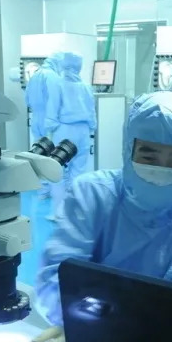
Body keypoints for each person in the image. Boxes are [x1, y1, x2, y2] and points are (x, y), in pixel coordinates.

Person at [32, 91, 172, 342]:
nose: (160, 169)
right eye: (149, 154)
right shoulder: (94, 193)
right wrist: (78, 326)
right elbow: (58, 275)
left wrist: (96, 336)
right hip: (100, 337)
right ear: (129, 148)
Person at [43, 51, 97, 221]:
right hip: (83, 131)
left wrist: (49, 129)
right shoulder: (86, 87)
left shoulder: (58, 85)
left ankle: (60, 212)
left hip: (64, 130)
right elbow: (92, 112)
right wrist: (91, 129)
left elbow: (52, 110)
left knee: (58, 173)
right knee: (79, 173)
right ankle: (76, 211)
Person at [25, 53, 63, 199]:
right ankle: (50, 189)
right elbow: (55, 100)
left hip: (35, 118)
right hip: (48, 120)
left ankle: (42, 188)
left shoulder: (35, 75)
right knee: (51, 156)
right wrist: (53, 121)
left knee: (39, 153)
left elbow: (27, 99)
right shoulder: (52, 77)